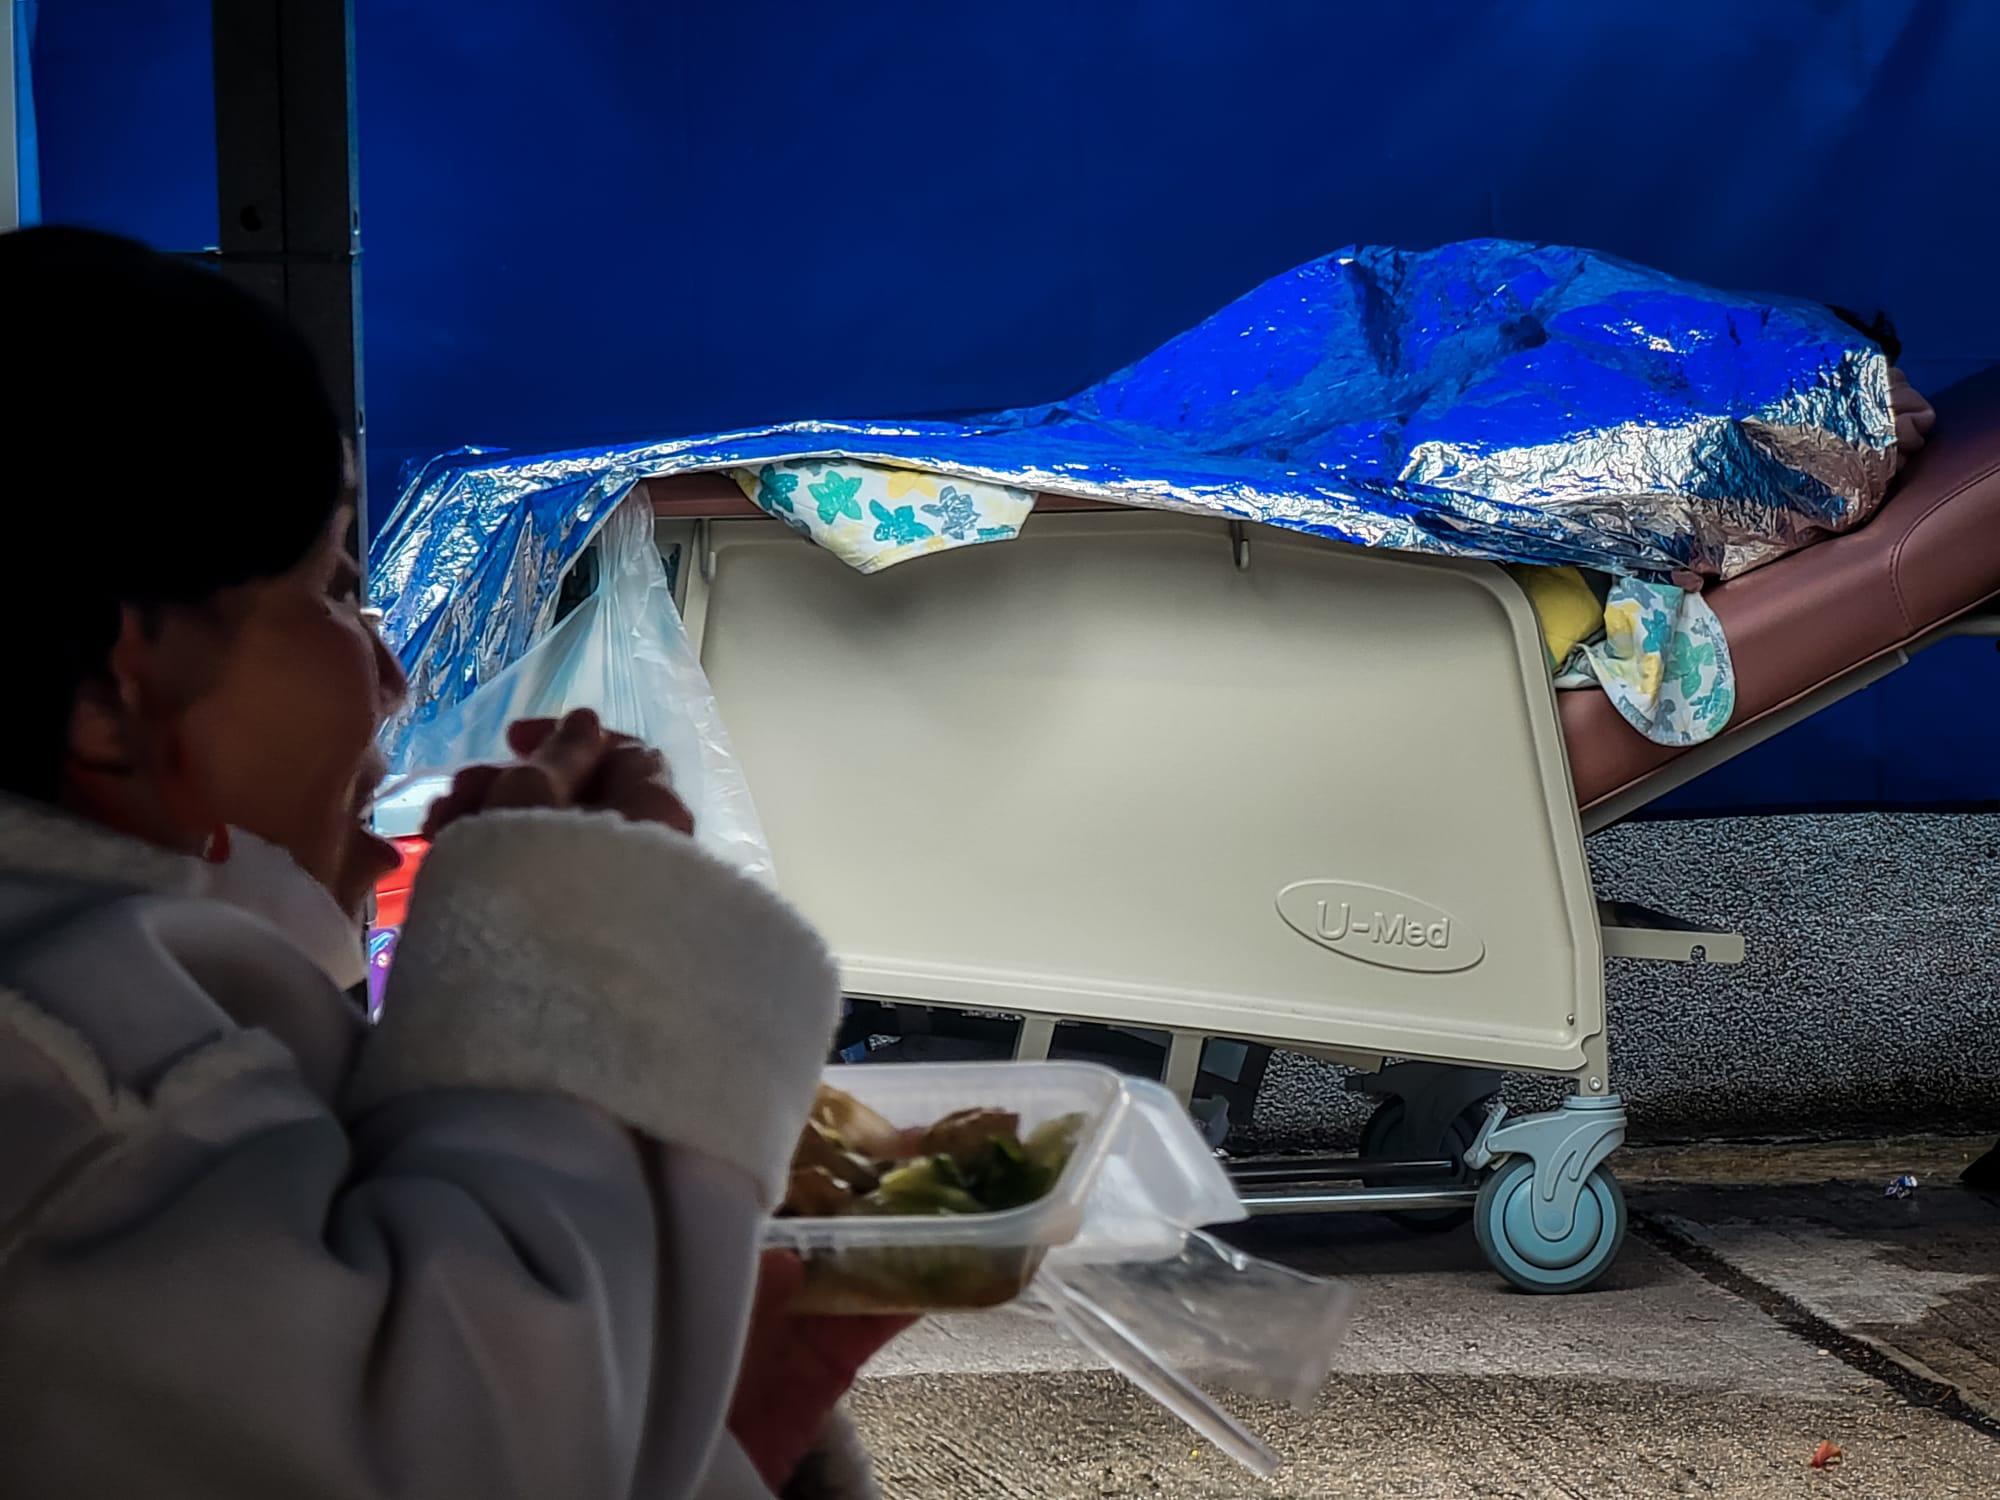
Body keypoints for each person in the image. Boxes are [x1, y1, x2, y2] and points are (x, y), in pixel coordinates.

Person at [0, 226, 901, 1498]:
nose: (390, 675)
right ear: (110, 689)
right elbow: (482, 1454)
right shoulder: (74, 1091)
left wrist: (732, 1431)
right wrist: (575, 957)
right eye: (329, 590)